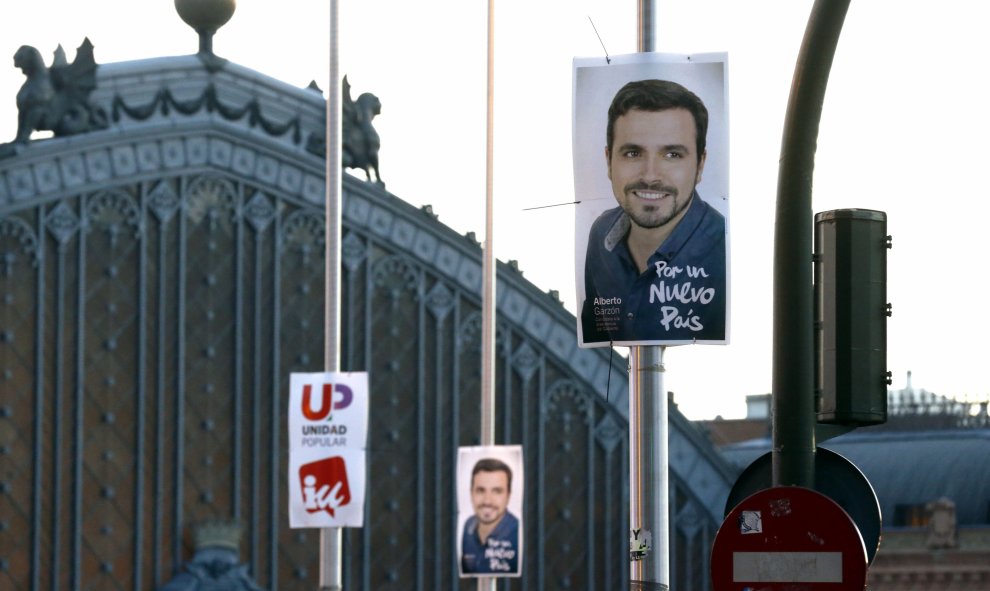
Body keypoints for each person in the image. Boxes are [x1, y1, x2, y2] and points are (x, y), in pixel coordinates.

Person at [581, 78, 726, 344]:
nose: (650, 176)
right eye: (633, 153)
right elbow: (597, 335)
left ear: (700, 164)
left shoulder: (724, 249)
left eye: (672, 155)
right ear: (609, 161)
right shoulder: (601, 235)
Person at [461, 457, 519, 575]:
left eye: (497, 491)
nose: (487, 501)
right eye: (481, 490)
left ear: (508, 496)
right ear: (471, 493)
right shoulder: (468, 526)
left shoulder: (518, 533)